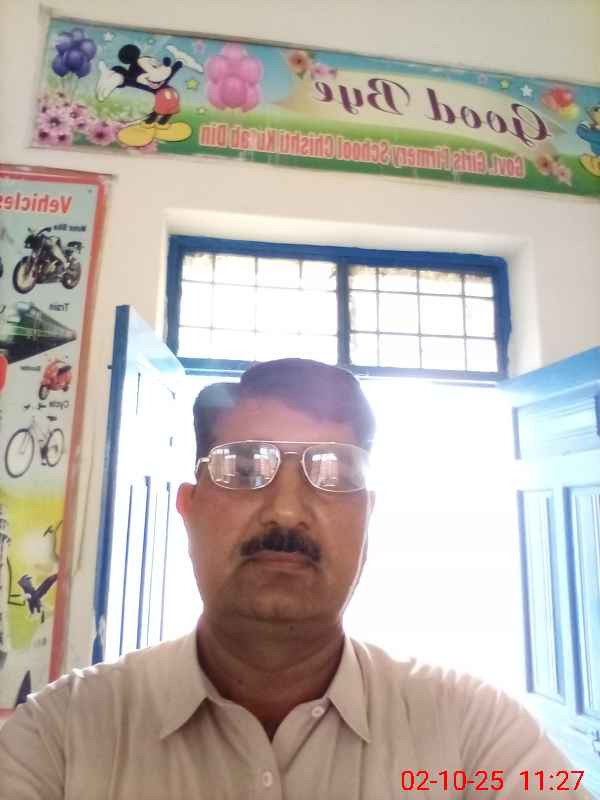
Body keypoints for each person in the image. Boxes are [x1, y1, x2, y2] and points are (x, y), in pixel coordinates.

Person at [0, 358, 592, 799]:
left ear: (367, 516)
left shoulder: (474, 733)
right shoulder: (58, 737)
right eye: (242, 467)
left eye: (334, 471)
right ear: (189, 507)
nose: (285, 511)